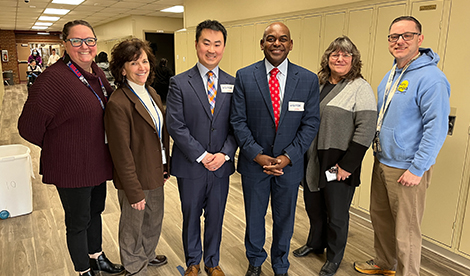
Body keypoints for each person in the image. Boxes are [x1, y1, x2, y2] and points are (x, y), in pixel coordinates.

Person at [17, 20, 124, 276]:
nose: (84, 46)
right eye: (76, 41)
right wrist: (60, 145)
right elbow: (27, 127)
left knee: (95, 211)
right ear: (65, 44)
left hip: (97, 160)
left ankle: (96, 257)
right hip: (72, 165)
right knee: (78, 221)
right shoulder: (52, 79)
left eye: (89, 40)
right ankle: (83, 270)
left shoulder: (96, 73)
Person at [354, 16, 450, 276]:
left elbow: (436, 128)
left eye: (407, 35)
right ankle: (385, 263)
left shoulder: (432, 78)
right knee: (381, 219)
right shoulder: (392, 74)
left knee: (406, 230)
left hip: (408, 168)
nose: (399, 41)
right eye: (394, 36)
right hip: (383, 161)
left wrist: (418, 168)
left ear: (420, 38)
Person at [230, 22, 320, 276]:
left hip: (288, 167)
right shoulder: (245, 76)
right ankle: (256, 261)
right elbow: (238, 120)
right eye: (270, 39)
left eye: (283, 39)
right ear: (262, 44)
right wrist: (257, 155)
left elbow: (311, 123)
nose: (276, 43)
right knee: (255, 217)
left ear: (291, 44)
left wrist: (288, 156)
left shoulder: (308, 80)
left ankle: (280, 264)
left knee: (285, 219)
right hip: (254, 163)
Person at [292, 36, 377, 276]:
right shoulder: (317, 84)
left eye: (345, 55)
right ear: (327, 58)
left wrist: (347, 166)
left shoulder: (360, 88)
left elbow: (366, 128)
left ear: (354, 60)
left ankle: (334, 256)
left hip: (337, 164)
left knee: (336, 213)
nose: (340, 59)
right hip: (313, 162)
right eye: (335, 54)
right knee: (314, 206)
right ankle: (315, 243)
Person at [166, 20, 237, 276]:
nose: (211, 49)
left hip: (221, 165)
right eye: (206, 43)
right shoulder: (179, 82)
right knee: (191, 215)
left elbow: (236, 125)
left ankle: (212, 262)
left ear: (224, 47)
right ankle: (193, 261)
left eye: (217, 44)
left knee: (216, 217)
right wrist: (203, 155)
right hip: (191, 165)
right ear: (196, 44)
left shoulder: (232, 82)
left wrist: (224, 154)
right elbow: (176, 125)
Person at [105, 38, 170, 276]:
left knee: (154, 219)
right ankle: (134, 266)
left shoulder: (151, 92)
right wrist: (133, 190)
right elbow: (121, 152)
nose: (142, 67)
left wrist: (165, 166)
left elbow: (159, 133)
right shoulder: (118, 102)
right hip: (135, 176)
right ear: (122, 69)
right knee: (133, 224)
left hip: (155, 170)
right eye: (134, 63)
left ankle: (147, 254)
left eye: (144, 61)